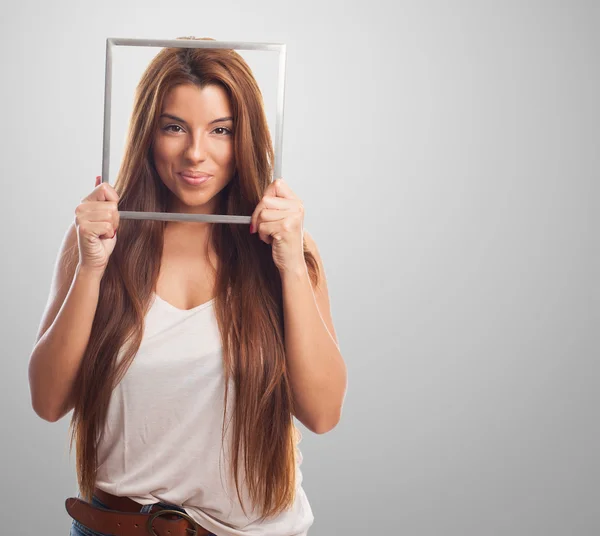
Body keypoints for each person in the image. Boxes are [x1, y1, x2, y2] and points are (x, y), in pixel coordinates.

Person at [27, 37, 347, 536]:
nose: (196, 153)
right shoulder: (98, 238)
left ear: (244, 139)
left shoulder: (285, 250)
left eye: (220, 130)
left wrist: (289, 266)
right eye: (174, 127)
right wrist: (91, 268)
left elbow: (323, 413)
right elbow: (48, 402)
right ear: (147, 134)